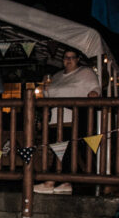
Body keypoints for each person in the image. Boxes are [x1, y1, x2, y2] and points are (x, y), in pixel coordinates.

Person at [34, 49, 101, 195]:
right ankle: (64, 182)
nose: (68, 60)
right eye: (65, 57)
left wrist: (94, 93)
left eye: (72, 57)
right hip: (55, 118)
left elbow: (95, 88)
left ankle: (53, 181)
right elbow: (49, 96)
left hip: (74, 116)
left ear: (78, 59)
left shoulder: (85, 72)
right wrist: (45, 90)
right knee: (59, 149)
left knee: (68, 149)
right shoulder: (57, 76)